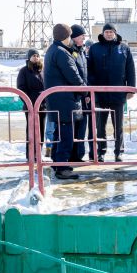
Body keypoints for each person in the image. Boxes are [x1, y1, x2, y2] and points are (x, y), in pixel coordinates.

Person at [87, 23, 136, 162]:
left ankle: (118, 152)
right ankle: (101, 152)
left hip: (118, 93)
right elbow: (89, 70)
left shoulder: (124, 48)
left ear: (115, 33)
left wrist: (131, 89)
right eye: (106, 32)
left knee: (118, 126)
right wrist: (91, 89)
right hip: (100, 94)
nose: (108, 34)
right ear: (103, 33)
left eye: (111, 32)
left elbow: (130, 70)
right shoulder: (95, 48)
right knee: (100, 126)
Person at [44, 24, 86, 180]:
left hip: (58, 100)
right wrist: (85, 90)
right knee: (66, 135)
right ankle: (62, 167)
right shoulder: (62, 53)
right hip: (64, 101)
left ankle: (58, 163)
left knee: (59, 133)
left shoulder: (52, 50)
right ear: (66, 37)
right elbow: (73, 75)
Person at [69, 25, 93, 162]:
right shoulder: (70, 52)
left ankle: (79, 155)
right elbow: (74, 75)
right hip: (74, 96)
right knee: (74, 126)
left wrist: (87, 93)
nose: (84, 38)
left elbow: (85, 75)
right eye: (81, 35)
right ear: (74, 37)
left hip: (83, 95)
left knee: (82, 126)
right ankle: (73, 155)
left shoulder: (81, 51)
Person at [16, 49, 45, 161]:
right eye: (33, 56)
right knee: (31, 131)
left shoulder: (42, 70)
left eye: (37, 55)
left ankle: (39, 154)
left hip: (42, 106)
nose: (36, 57)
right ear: (29, 57)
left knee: (41, 131)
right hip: (31, 106)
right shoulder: (24, 71)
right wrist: (29, 103)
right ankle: (31, 155)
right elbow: (21, 88)